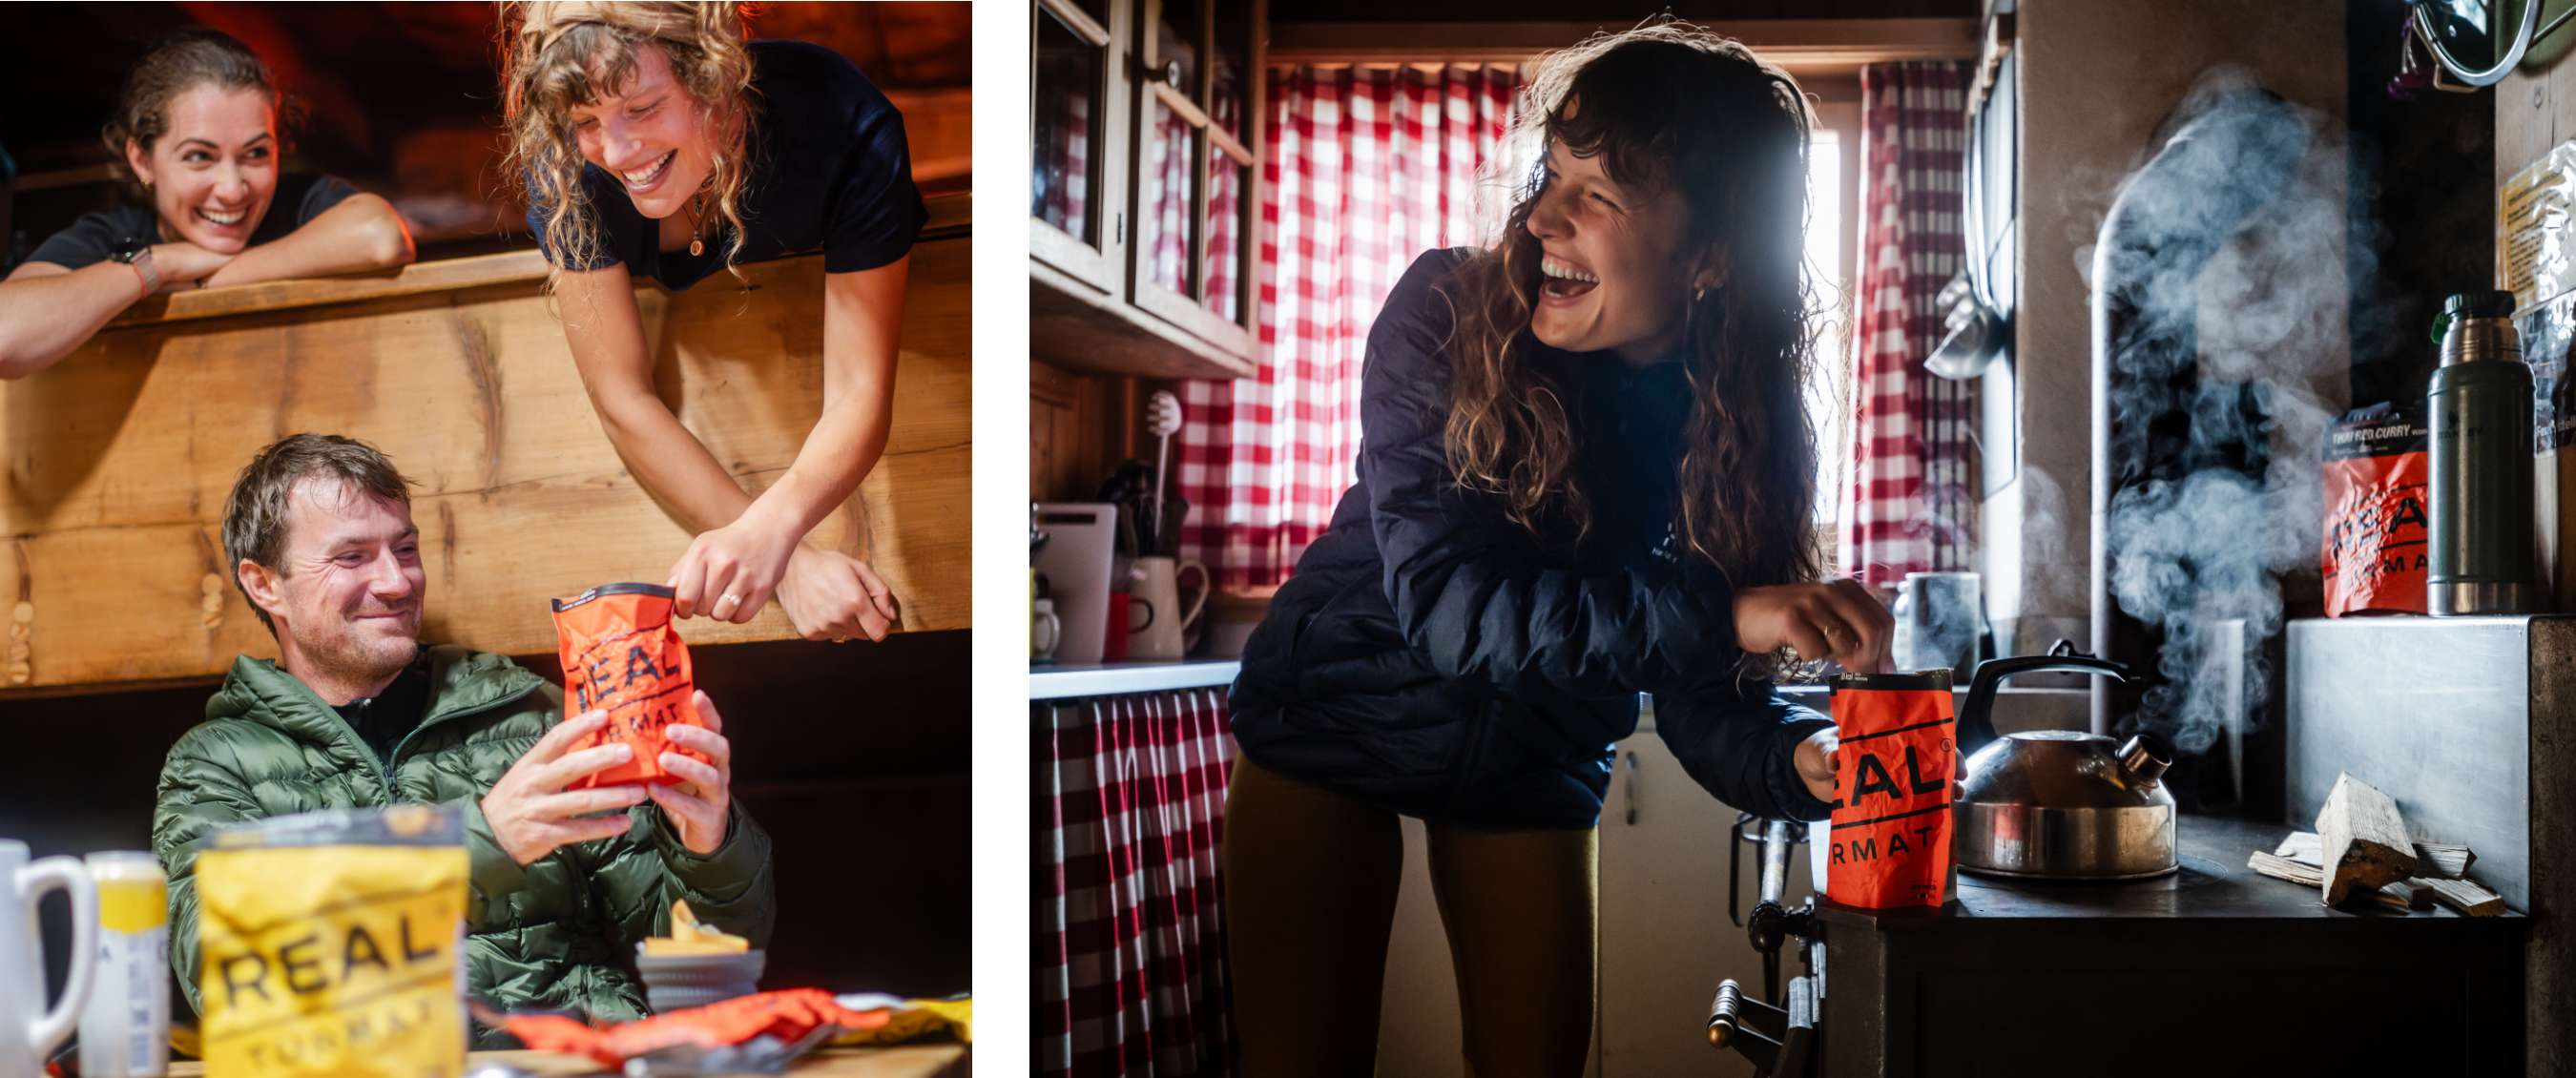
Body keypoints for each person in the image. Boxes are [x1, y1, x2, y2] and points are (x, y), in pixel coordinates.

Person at [1221, 24, 1896, 1077]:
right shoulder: (1443, 312)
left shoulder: (1747, 423)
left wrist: (1800, 760)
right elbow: (1456, 617)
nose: (1541, 216)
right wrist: (1723, 613)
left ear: (1710, 256)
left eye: (1601, 194)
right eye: (1555, 174)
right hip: (1327, 722)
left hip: (1531, 758)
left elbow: (1702, 688)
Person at [151, 434, 773, 1039]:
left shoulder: (533, 719)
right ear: (265, 584)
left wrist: (707, 845)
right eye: (352, 557)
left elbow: (702, 959)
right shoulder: (213, 767)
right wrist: (481, 843)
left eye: (406, 548)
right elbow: (223, 981)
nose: (397, 581)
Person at [500, 1, 923, 644]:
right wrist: (789, 565)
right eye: (586, 120)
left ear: (716, 72)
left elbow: (858, 393)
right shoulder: (567, 167)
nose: (615, 151)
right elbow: (622, 397)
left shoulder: (842, 121)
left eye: (642, 108)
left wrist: (771, 531)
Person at [0, 30, 414, 380]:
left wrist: (206, 277)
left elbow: (381, 236)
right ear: (142, 159)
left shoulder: (301, 199)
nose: (233, 190)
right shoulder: (109, 236)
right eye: (200, 156)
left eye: (255, 154)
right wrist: (158, 266)